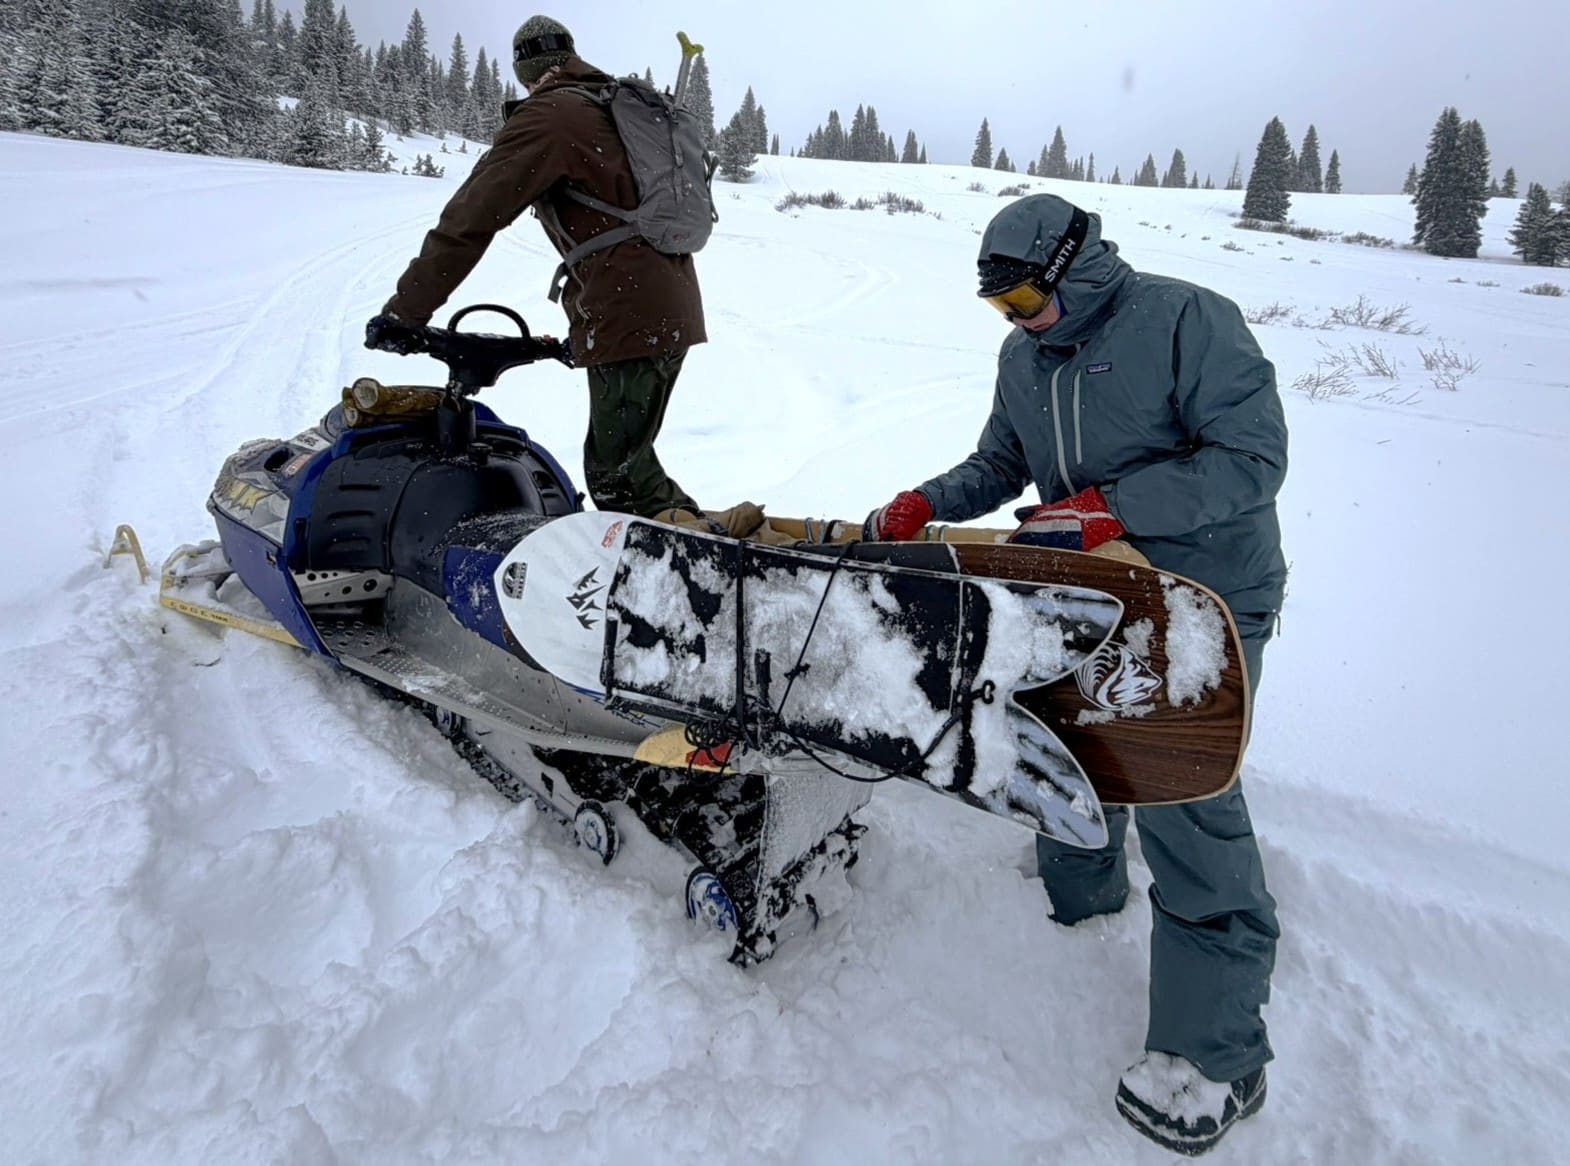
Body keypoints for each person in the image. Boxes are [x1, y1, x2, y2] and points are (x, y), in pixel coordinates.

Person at [864, 194, 1287, 1157]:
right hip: (1092, 593)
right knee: (1068, 735)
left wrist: (1112, 505)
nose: (1013, 317)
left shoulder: (1187, 319)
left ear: (1072, 266)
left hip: (1201, 597)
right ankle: (1084, 885)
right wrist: (928, 500)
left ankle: (1217, 1053)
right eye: (997, 305)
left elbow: (1253, 461)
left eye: (1021, 295)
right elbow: (1002, 462)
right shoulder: (1026, 356)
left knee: (1183, 788)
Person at [369, 15, 707, 520]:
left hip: (630, 309)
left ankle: (699, 571)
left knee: (622, 484)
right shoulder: (604, 106)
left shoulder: (551, 115)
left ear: (527, 72)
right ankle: (692, 556)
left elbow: (471, 217)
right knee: (626, 471)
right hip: (660, 303)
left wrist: (406, 313)